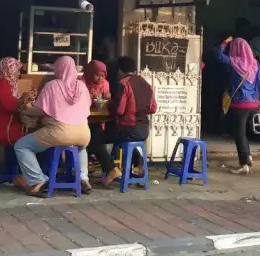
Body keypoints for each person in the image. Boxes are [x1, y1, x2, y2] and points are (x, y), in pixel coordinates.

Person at [14, 56, 92, 197]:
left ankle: (37, 180)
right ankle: (83, 178)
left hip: (59, 133)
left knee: (21, 146)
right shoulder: (81, 86)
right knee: (80, 147)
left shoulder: (53, 85)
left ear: (59, 69)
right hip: (84, 133)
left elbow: (40, 110)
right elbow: (87, 107)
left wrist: (26, 109)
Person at [87, 56, 156, 185]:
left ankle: (111, 169)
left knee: (93, 139)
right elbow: (153, 108)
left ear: (119, 70)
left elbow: (119, 109)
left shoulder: (123, 83)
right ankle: (138, 166)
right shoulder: (146, 84)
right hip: (144, 130)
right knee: (115, 137)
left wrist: (108, 103)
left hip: (128, 128)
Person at [214, 36, 260, 175]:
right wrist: (259, 101)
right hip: (253, 103)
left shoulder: (235, 62)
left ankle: (244, 164)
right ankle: (248, 156)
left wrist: (225, 42)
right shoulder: (255, 63)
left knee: (239, 134)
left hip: (240, 104)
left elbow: (217, 54)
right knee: (243, 133)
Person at [0, 57, 31, 146]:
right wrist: (24, 98)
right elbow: (10, 105)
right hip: (3, 129)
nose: (19, 74)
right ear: (9, 71)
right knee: (34, 136)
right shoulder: (2, 83)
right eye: (17, 71)